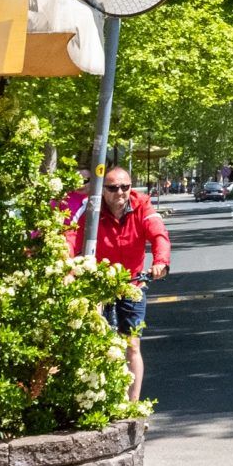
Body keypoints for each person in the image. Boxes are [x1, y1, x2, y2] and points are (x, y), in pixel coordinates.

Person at [64, 169, 170, 401]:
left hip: (132, 283)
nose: (120, 193)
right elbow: (71, 237)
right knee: (96, 344)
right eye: (112, 188)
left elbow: (158, 234)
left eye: (125, 187)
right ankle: (97, 398)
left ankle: (132, 406)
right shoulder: (91, 208)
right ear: (102, 189)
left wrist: (160, 263)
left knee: (132, 344)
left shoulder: (142, 205)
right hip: (98, 284)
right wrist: (69, 268)